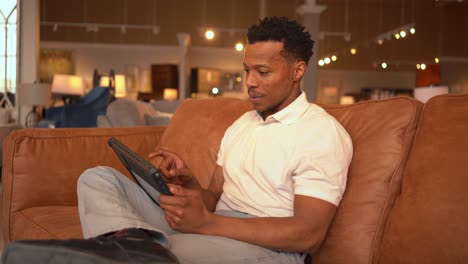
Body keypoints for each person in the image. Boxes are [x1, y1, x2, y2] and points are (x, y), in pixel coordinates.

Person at [2, 16, 352, 264]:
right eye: (247, 70)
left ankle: (133, 251)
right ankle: (136, 247)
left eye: (263, 72)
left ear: (298, 71)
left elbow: (308, 234)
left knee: (170, 251)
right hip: (215, 228)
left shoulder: (321, 133)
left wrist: (208, 224)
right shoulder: (243, 123)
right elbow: (215, 198)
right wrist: (189, 184)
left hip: (271, 251)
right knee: (98, 177)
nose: (250, 82)